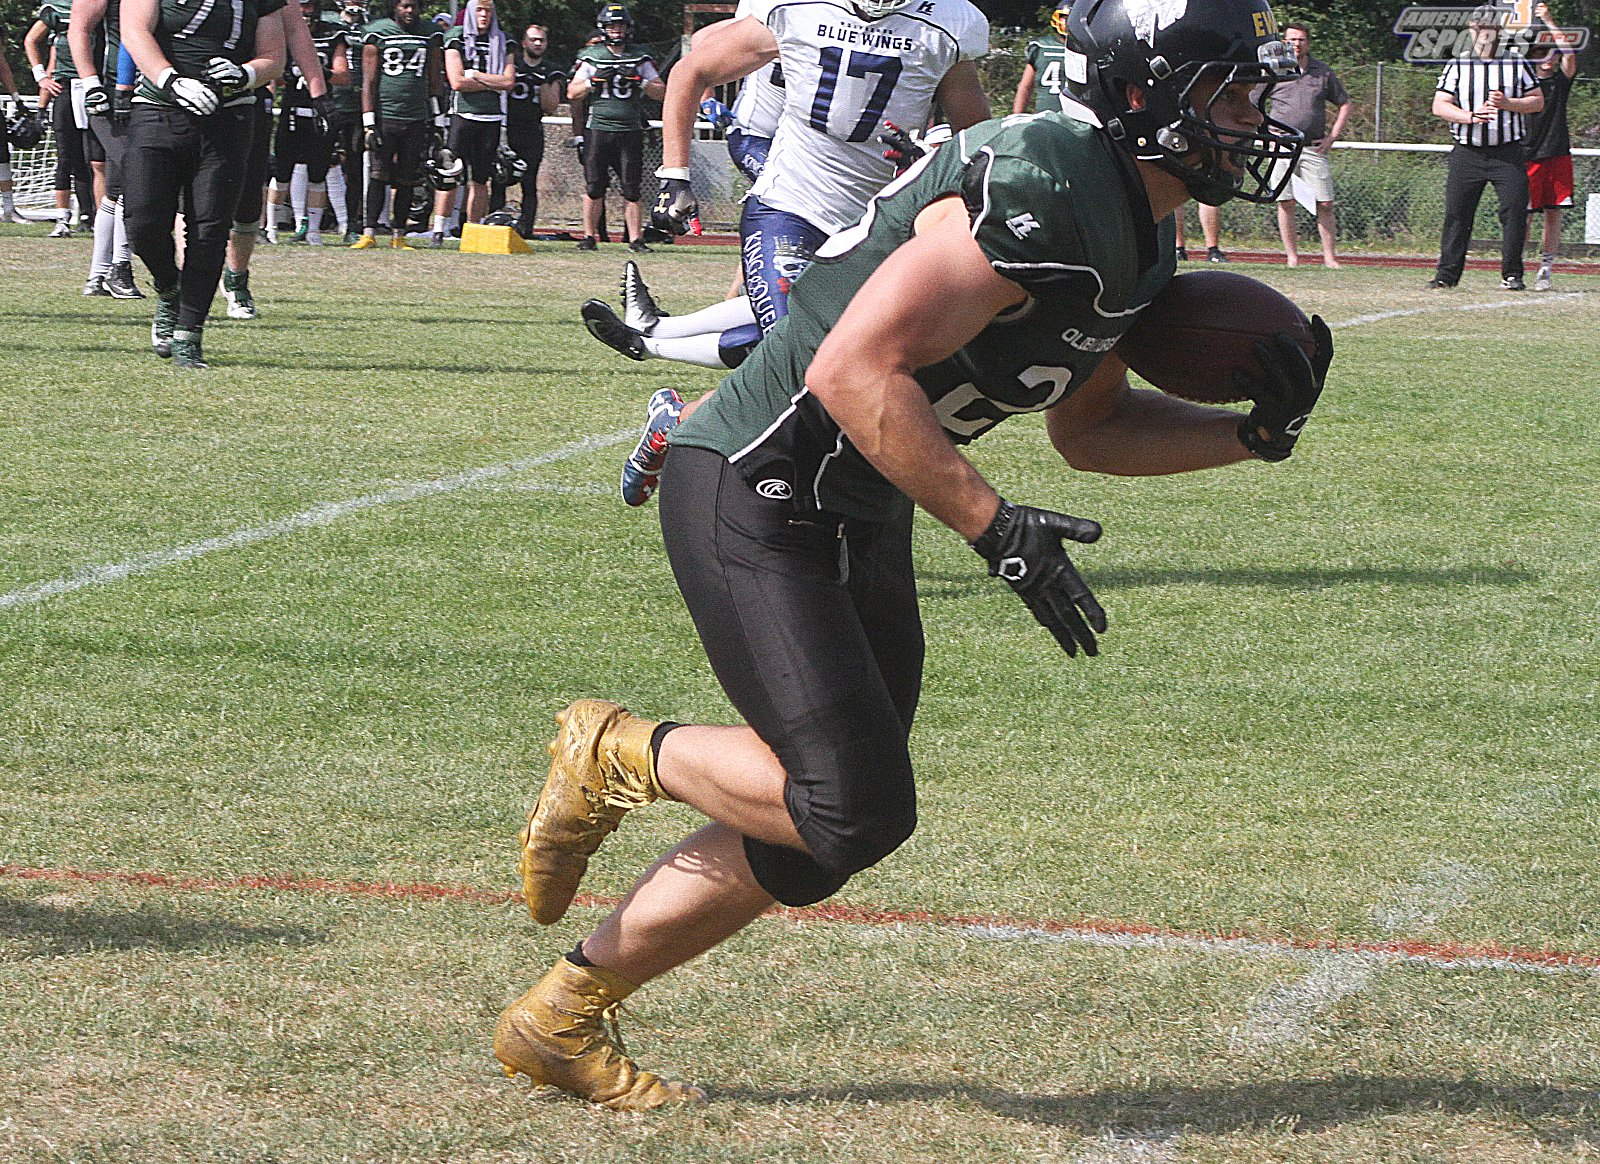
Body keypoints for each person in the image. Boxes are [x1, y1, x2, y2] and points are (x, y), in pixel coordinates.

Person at [494, 0, 1326, 1113]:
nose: (1249, 116)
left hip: (856, 508)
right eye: (1225, 90)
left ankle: (558, 1018)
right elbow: (851, 371)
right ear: (1141, 91)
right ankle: (619, 750)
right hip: (755, 481)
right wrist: (995, 529)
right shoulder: (1041, 177)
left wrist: (1246, 435)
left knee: (814, 837)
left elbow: (1092, 432)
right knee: (851, 806)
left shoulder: (1141, 230)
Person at [121, 0, 287, 368]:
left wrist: (245, 74)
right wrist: (171, 80)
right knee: (142, 222)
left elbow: (274, 57)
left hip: (227, 118)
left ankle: (188, 333)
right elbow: (134, 31)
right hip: (159, 109)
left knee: (210, 227)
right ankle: (168, 288)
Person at [1426, 5, 1542, 291]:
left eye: (1489, 28)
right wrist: (1469, 117)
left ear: (1499, 32)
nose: (1483, 34)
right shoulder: (1458, 64)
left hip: (1508, 152)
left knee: (1515, 211)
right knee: (1457, 213)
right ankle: (1446, 275)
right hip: (1468, 151)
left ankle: (1512, 274)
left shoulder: (1516, 63)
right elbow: (1439, 105)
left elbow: (1538, 101)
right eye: (1478, 28)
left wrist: (1508, 104)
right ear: (1471, 29)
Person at [567, 3, 664, 252]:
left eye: (620, 25)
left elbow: (660, 92)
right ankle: (589, 236)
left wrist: (639, 80)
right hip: (598, 128)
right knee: (594, 186)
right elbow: (572, 92)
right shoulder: (592, 55)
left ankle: (635, 239)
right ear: (603, 28)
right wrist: (593, 81)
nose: (616, 30)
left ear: (628, 27)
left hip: (629, 129)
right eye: (612, 25)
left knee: (632, 188)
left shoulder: (640, 56)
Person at [67, 0, 146, 298]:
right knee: (133, 172)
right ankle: (120, 267)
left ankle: (98, 274)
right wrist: (91, 84)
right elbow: (79, 29)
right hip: (110, 93)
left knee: (116, 186)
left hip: (151, 91)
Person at [353, 0, 446, 249]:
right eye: (404, 6)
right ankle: (369, 231)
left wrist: (438, 121)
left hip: (416, 116)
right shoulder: (378, 32)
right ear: (395, 6)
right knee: (378, 174)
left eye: (413, 6)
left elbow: (435, 79)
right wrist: (369, 123)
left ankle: (399, 234)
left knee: (408, 177)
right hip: (386, 115)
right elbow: (369, 81)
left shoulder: (430, 33)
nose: (409, 11)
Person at [1266, 22, 1351, 268]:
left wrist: (1332, 136)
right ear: (1284, 42)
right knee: (1286, 201)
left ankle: (1329, 257)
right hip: (1281, 146)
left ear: (1308, 43)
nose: (1296, 44)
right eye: (1291, 39)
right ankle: (1292, 257)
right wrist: (1266, 139)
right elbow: (1253, 104)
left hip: (1313, 147)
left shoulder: (1322, 72)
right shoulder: (1275, 71)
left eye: (1301, 39)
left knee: (1324, 203)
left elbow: (1344, 104)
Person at [264, 0, 347, 245]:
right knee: (281, 173)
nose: (306, 11)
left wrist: (319, 72)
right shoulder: (281, 30)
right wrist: (285, 75)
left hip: (318, 114)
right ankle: (271, 228)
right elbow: (271, 71)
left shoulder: (332, 34)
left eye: (309, 5)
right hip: (291, 113)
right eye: (301, 5)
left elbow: (344, 76)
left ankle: (313, 231)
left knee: (317, 175)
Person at [442, 0, 514, 229]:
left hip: (491, 117)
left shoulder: (504, 40)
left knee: (481, 178)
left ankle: (473, 228)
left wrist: (475, 74)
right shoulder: (456, 36)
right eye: (479, 10)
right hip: (463, 114)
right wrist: (493, 83)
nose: (484, 15)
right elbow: (457, 82)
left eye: (488, 10)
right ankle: (439, 229)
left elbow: (508, 81)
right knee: (449, 174)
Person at [27, 0, 96, 237]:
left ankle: (93, 215)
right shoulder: (58, 12)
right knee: (67, 157)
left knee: (96, 159)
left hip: (96, 87)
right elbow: (34, 43)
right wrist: (41, 89)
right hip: (67, 87)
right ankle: (63, 218)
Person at [1523, 1, 1576, 291]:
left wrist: (1549, 20)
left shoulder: (1560, 81)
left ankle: (1545, 267)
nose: (1547, 57)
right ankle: (1514, 265)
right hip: (1527, 155)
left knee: (1554, 213)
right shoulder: (1521, 82)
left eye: (1550, 51)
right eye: (1540, 51)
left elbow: (1569, 54)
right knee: (1525, 215)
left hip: (1557, 153)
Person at [491, 22, 562, 237]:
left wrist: (547, 84)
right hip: (506, 128)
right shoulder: (511, 64)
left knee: (529, 182)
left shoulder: (551, 70)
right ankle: (494, 222)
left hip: (531, 130)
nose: (538, 43)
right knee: (498, 179)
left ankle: (526, 229)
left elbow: (551, 107)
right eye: (533, 39)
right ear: (524, 43)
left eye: (541, 40)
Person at [329, 2, 368, 241]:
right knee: (319, 163)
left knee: (356, 166)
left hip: (357, 106)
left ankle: (350, 223)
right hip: (329, 102)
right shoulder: (327, 22)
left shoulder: (371, 27)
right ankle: (311, 222)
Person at [1012, 2, 1068, 114]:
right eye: (1064, 17)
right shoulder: (1041, 46)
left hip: (1075, 117)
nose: (1067, 22)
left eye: (1070, 18)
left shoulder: (1086, 47)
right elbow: (1025, 87)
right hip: (1044, 114)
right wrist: (1017, 115)